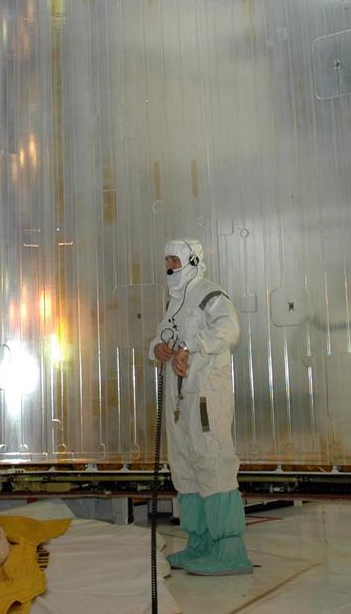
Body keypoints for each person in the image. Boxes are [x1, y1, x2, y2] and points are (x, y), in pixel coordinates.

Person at [149, 239, 252, 577]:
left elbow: (229, 329)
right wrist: (159, 349)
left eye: (174, 260)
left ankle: (230, 550)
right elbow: (162, 336)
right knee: (184, 465)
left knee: (213, 460)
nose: (169, 266)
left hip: (206, 394)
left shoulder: (209, 294)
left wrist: (192, 346)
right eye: (166, 260)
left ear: (192, 260)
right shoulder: (174, 302)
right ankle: (200, 542)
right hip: (180, 401)